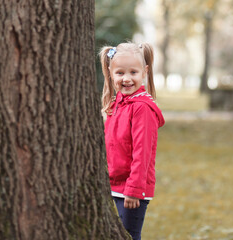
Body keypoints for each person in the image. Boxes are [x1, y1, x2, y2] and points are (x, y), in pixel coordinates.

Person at [99, 42, 165, 240]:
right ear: (110, 73)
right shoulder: (118, 102)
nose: (127, 79)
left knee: (128, 236)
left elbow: (142, 153)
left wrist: (134, 190)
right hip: (114, 184)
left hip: (131, 190)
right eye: (120, 73)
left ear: (144, 72)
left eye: (133, 72)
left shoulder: (141, 108)